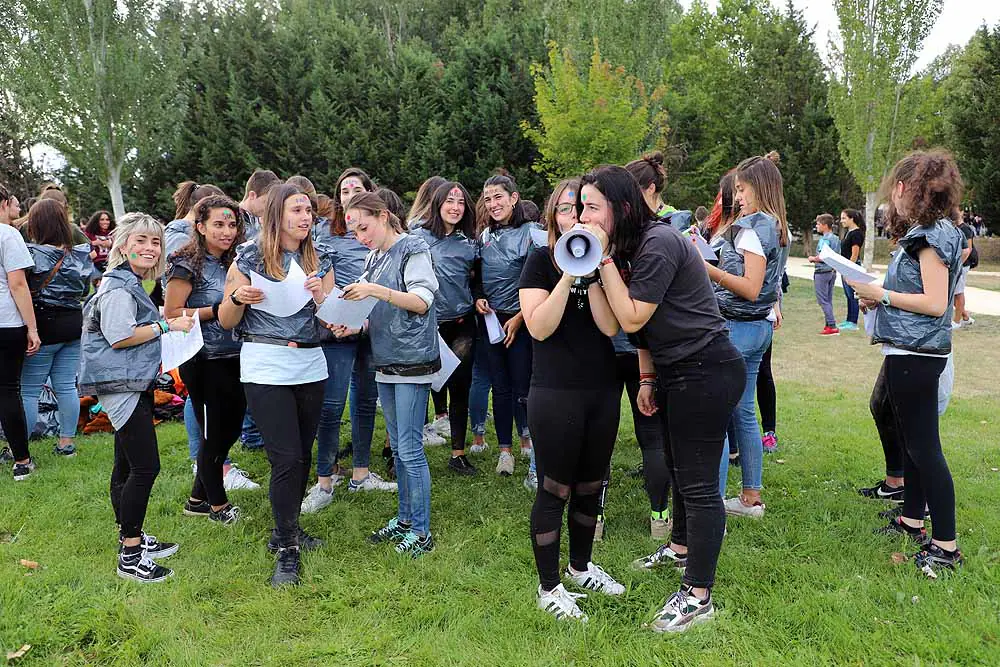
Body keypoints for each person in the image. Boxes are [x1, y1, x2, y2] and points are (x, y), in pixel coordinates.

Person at [586, 165, 745, 633]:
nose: (584, 216)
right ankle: (679, 548)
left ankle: (699, 595)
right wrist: (648, 378)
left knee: (697, 485)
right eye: (582, 207)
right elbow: (615, 326)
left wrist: (604, 263)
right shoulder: (629, 246)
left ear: (622, 208)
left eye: (594, 207)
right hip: (677, 370)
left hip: (706, 368)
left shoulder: (658, 243)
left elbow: (632, 317)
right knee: (678, 468)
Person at [848, 150, 967, 576]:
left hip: (917, 355)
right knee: (915, 443)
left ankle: (946, 547)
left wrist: (881, 295)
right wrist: (878, 295)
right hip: (911, 351)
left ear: (902, 189)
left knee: (924, 449)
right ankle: (912, 520)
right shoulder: (934, 231)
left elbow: (936, 304)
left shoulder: (930, 236)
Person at [520, 177, 626, 621]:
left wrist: (596, 267)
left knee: (591, 484)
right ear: (552, 217)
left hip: (601, 389)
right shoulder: (540, 262)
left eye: (580, 209)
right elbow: (539, 326)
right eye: (565, 210)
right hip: (555, 391)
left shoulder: (603, 263)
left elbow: (609, 327)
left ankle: (580, 567)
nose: (574, 217)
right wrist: (568, 273)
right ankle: (549, 587)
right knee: (554, 487)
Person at [219, 183, 334, 586]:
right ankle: (287, 550)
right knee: (285, 459)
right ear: (276, 216)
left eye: (308, 210)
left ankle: (288, 528)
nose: (305, 217)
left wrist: (326, 301)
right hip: (265, 365)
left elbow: (334, 320)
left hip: (311, 364)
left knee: (301, 455)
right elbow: (225, 319)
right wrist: (237, 299)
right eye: (297, 210)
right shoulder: (249, 256)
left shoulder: (320, 257)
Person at [78, 213, 193, 582]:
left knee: (126, 465)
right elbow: (119, 336)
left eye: (155, 242)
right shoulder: (116, 287)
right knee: (145, 467)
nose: (149, 248)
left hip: (132, 381)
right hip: (121, 385)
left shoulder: (129, 283)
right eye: (141, 240)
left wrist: (159, 318)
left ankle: (134, 536)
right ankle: (130, 555)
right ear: (123, 245)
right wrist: (165, 324)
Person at [342, 192, 440, 557]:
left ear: (383, 216)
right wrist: (353, 326)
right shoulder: (374, 256)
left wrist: (376, 290)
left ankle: (422, 531)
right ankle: (404, 520)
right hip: (385, 360)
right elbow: (376, 312)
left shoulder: (413, 248)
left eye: (364, 227)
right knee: (398, 449)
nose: (361, 237)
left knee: (411, 450)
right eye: (354, 231)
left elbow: (420, 301)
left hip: (413, 361)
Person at [301, 166, 390, 515]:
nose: (349, 193)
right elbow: (320, 278)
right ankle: (325, 479)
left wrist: (364, 322)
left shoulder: (381, 235)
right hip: (336, 328)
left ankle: (361, 473)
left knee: (366, 401)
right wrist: (337, 318)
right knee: (332, 405)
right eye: (343, 190)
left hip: (370, 327)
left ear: (369, 193)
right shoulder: (326, 233)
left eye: (356, 187)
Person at [703, 156, 788, 517]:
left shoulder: (753, 227)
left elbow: (751, 287)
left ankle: (713, 501)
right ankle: (750, 497)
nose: (736, 196)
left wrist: (706, 268)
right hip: (759, 328)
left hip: (738, 328)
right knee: (744, 413)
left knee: (718, 417)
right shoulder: (778, 226)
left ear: (759, 188)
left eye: (741, 189)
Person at [165, 195, 246, 525]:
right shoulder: (185, 262)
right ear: (200, 227)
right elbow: (171, 313)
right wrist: (218, 311)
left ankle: (197, 499)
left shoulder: (236, 260)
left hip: (237, 355)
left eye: (232, 224)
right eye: (218, 224)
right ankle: (217, 506)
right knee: (215, 433)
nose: (227, 231)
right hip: (203, 358)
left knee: (231, 429)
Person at [412, 182, 479, 476]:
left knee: (460, 387)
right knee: (417, 389)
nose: (455, 207)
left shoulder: (470, 244)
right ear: (437, 204)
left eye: (461, 202)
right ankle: (405, 452)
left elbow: (477, 280)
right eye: (449, 201)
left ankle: (458, 453)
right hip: (425, 326)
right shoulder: (416, 238)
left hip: (461, 325)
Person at [21, 199, 94, 458]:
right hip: (74, 323)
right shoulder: (81, 253)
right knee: (66, 386)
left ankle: (20, 447)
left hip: (44, 326)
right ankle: (66, 443)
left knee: (29, 389)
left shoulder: (31, 254)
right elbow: (85, 290)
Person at [476, 173, 536, 476]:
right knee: (499, 387)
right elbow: (475, 277)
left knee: (524, 386)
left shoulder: (531, 232)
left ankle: (531, 442)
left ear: (514, 198)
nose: (493, 204)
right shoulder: (484, 236)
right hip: (492, 321)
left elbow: (539, 282)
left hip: (523, 320)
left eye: (498, 197)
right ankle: (504, 451)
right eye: (487, 199)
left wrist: (520, 317)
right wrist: (479, 298)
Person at [235, 169, 282, 451]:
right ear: (253, 196)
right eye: (267, 201)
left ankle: (254, 433)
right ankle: (250, 435)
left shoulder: (254, 221)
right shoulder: (237, 223)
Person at [0, 183, 41, 477]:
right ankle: (22, 461)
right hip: (6, 321)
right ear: (4, 203)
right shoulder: (8, 235)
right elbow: (17, 283)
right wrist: (32, 327)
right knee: (8, 390)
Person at [808, 213, 841, 335]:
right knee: (828, 300)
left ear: (825, 225)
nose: (816, 226)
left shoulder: (825, 239)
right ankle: (828, 325)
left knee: (822, 300)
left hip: (822, 272)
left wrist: (812, 258)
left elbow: (823, 256)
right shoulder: (836, 239)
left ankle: (831, 325)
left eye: (818, 224)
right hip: (832, 272)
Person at [838, 209, 865, 331]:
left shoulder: (856, 234)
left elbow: (854, 254)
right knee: (848, 295)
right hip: (845, 266)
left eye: (844, 218)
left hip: (851, 267)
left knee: (853, 295)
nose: (841, 221)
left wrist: (848, 270)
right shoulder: (849, 232)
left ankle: (853, 322)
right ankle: (849, 320)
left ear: (851, 219)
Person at [951, 209, 977, 329]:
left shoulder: (965, 229)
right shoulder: (955, 228)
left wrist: (958, 264)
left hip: (963, 265)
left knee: (958, 292)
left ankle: (957, 322)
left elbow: (968, 249)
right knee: (953, 293)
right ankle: (965, 316)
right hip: (957, 264)